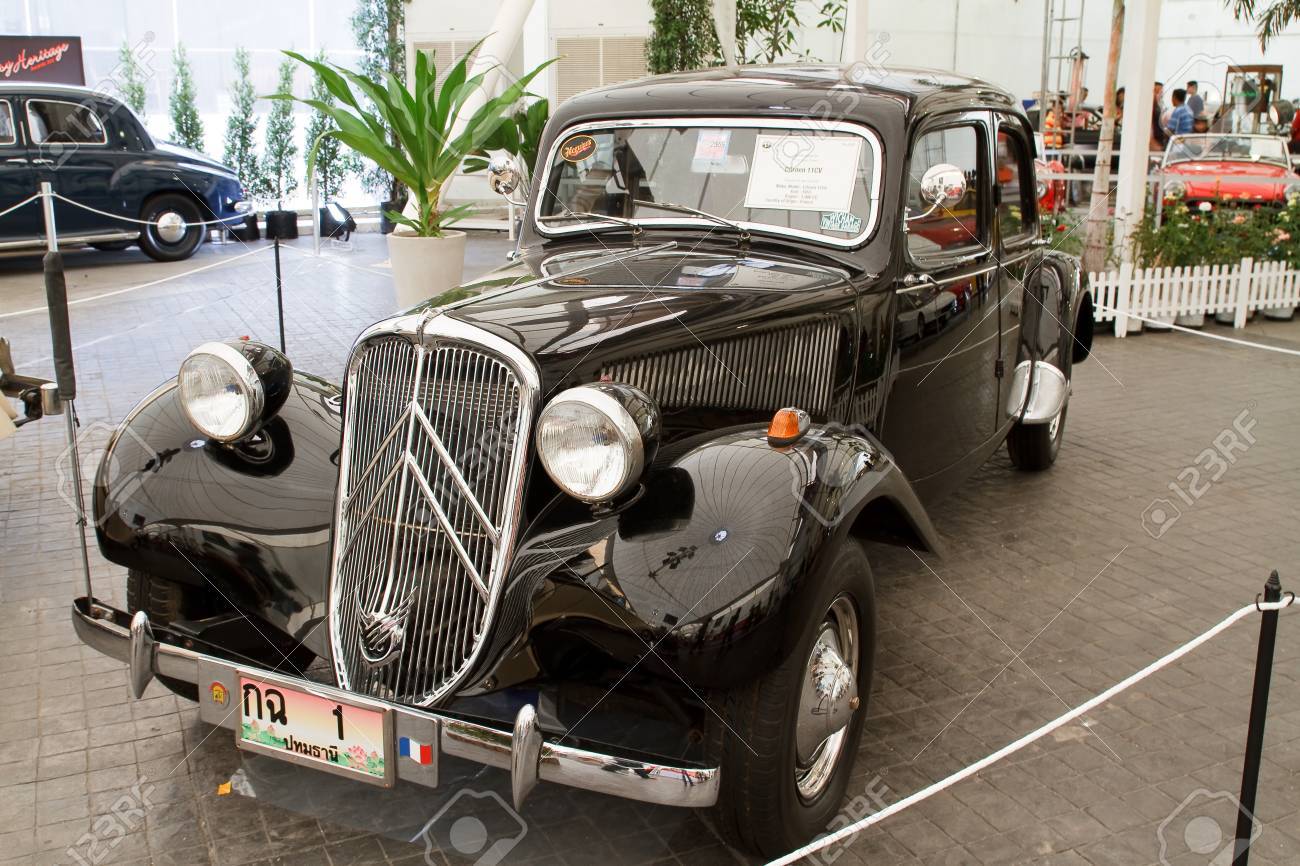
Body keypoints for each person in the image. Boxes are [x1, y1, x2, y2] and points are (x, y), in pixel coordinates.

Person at [1151, 82, 1169, 149]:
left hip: (1160, 142)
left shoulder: (1158, 107)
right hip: (1155, 146)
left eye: (1161, 93)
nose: (1160, 95)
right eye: (1156, 92)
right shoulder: (1149, 109)